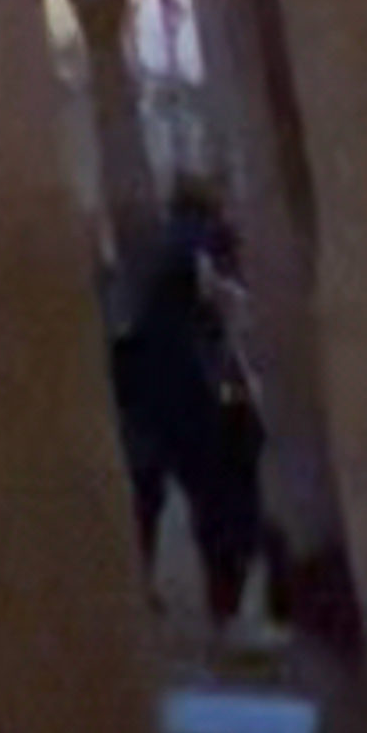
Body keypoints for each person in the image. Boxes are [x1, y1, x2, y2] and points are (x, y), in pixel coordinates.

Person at [112, 185, 270, 634]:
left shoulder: (156, 252)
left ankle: (139, 590)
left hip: (153, 398)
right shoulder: (198, 248)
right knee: (220, 508)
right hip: (199, 400)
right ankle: (225, 607)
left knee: (148, 499)